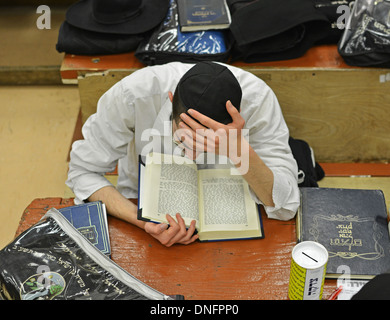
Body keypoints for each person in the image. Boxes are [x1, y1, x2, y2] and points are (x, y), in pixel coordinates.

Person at [66, 61, 300, 247]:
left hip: (233, 221)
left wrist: (237, 148)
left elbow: (286, 204)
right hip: (139, 212)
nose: (194, 156)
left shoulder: (259, 100)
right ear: (170, 102)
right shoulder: (134, 94)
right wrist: (143, 223)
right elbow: (82, 172)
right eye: (184, 141)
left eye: (208, 145)